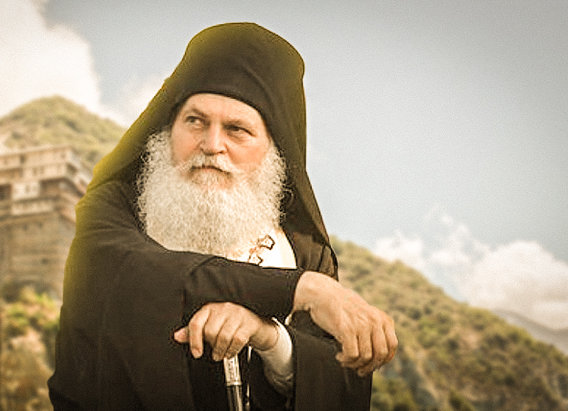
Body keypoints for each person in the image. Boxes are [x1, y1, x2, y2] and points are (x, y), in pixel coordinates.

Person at [48, 22, 397, 410]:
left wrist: (269, 339)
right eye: (195, 121)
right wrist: (301, 290)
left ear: (273, 150)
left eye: (237, 129)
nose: (212, 145)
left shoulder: (302, 252)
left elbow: (342, 384)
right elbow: (146, 276)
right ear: (168, 129)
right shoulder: (112, 211)